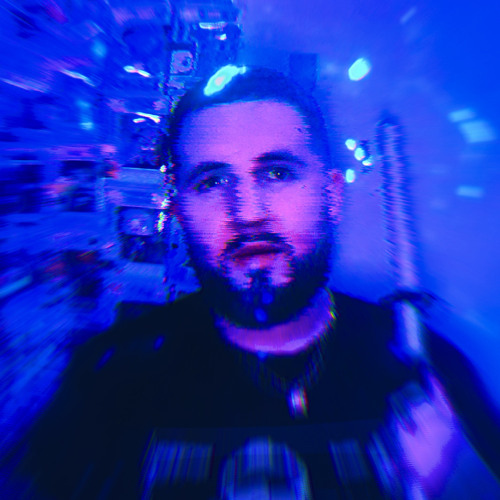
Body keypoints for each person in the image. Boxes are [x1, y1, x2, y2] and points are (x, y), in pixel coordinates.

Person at [9, 66, 500, 499]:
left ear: (331, 196)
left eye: (277, 173)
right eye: (211, 182)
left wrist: (460, 483)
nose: (246, 212)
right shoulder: (111, 378)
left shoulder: (429, 374)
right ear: (178, 210)